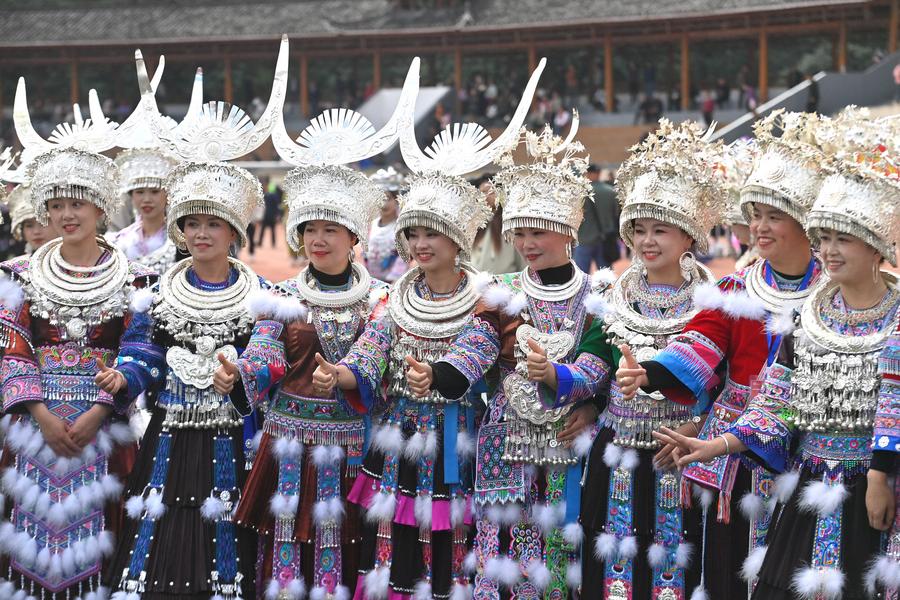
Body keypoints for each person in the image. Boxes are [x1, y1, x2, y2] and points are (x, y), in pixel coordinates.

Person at [311, 58, 545, 600]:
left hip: (458, 440)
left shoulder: (487, 295)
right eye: (413, 234)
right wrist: (341, 374)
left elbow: (477, 350)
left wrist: (435, 375)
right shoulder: (396, 297)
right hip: (397, 440)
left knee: (450, 539)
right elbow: (371, 350)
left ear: (457, 239)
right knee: (396, 543)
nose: (419, 245)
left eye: (431, 235)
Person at [653, 113, 900, 599]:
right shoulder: (809, 317)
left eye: (841, 239)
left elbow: (894, 403)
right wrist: (719, 444)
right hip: (811, 482)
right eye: (823, 238)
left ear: (876, 248)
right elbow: (777, 401)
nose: (828, 251)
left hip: (881, 485)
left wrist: (878, 475)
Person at [221, 60, 419, 599]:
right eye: (310, 229)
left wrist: (350, 377)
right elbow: (264, 353)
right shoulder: (282, 298)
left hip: (356, 442)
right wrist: (239, 374)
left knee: (351, 544)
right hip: (289, 442)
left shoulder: (382, 298)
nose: (319, 240)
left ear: (354, 236)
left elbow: (381, 356)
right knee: (287, 549)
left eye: (331, 230)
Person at [614, 110, 828, 599]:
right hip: (738, 452)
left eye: (774, 216)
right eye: (754, 215)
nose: (759, 227)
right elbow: (698, 343)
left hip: (814, 448)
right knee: (730, 569)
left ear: (805, 222)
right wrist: (647, 371)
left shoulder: (833, 294)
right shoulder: (735, 289)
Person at [423, 118, 610, 597]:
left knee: (561, 544)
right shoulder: (501, 293)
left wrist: (577, 392)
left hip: (570, 439)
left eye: (538, 233)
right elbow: (479, 341)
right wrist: (443, 373)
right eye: (519, 233)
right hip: (506, 437)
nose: (526, 244)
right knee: (502, 541)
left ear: (567, 232)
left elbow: (601, 360)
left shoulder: (597, 295)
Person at [100, 162, 265, 599]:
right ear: (180, 231)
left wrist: (245, 375)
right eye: (192, 223)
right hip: (170, 430)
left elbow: (270, 358)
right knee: (159, 526)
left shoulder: (263, 295)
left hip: (234, 433)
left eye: (213, 223)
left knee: (227, 527)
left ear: (233, 232)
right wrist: (125, 377)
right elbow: (143, 352)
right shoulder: (156, 293)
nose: (201, 234)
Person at [580, 119, 729, 599]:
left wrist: (701, 423)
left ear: (688, 236)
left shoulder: (717, 302)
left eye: (660, 230)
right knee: (616, 569)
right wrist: (565, 386)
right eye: (638, 230)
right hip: (618, 447)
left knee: (677, 566)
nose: (647, 241)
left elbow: (729, 383)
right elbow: (593, 365)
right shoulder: (610, 294)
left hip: (683, 450)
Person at [0, 147, 155, 598]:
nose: (67, 215)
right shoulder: (18, 275)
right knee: (30, 532)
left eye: (77, 204)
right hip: (34, 423)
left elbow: (141, 348)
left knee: (105, 528)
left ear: (100, 209)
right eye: (56, 206)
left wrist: (101, 408)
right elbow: (11, 349)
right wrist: (42, 414)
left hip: (104, 425)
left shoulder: (135, 279)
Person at [106, 148, 180, 274]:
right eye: (139, 192)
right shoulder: (118, 241)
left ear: (168, 195)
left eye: (154, 192)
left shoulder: (180, 241)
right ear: (132, 196)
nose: (146, 199)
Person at [470, 176, 524, 275]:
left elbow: (522, 262)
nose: (486, 196)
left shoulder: (510, 223)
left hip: (506, 284)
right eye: (482, 192)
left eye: (491, 191)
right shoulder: (473, 224)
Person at [365, 166, 409, 283]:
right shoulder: (371, 226)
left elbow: (404, 258)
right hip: (369, 282)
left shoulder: (402, 227)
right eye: (381, 198)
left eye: (388, 198)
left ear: (397, 200)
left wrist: (393, 283)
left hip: (394, 283)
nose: (384, 204)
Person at [574, 163, 619, 272]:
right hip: (605, 238)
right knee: (606, 278)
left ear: (587, 173)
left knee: (581, 276)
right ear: (599, 173)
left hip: (584, 239)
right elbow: (616, 214)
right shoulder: (610, 192)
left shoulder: (580, 193)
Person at [6, 183, 58, 254]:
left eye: (43, 223)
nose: (36, 232)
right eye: (29, 226)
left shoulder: (76, 262)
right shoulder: (12, 265)